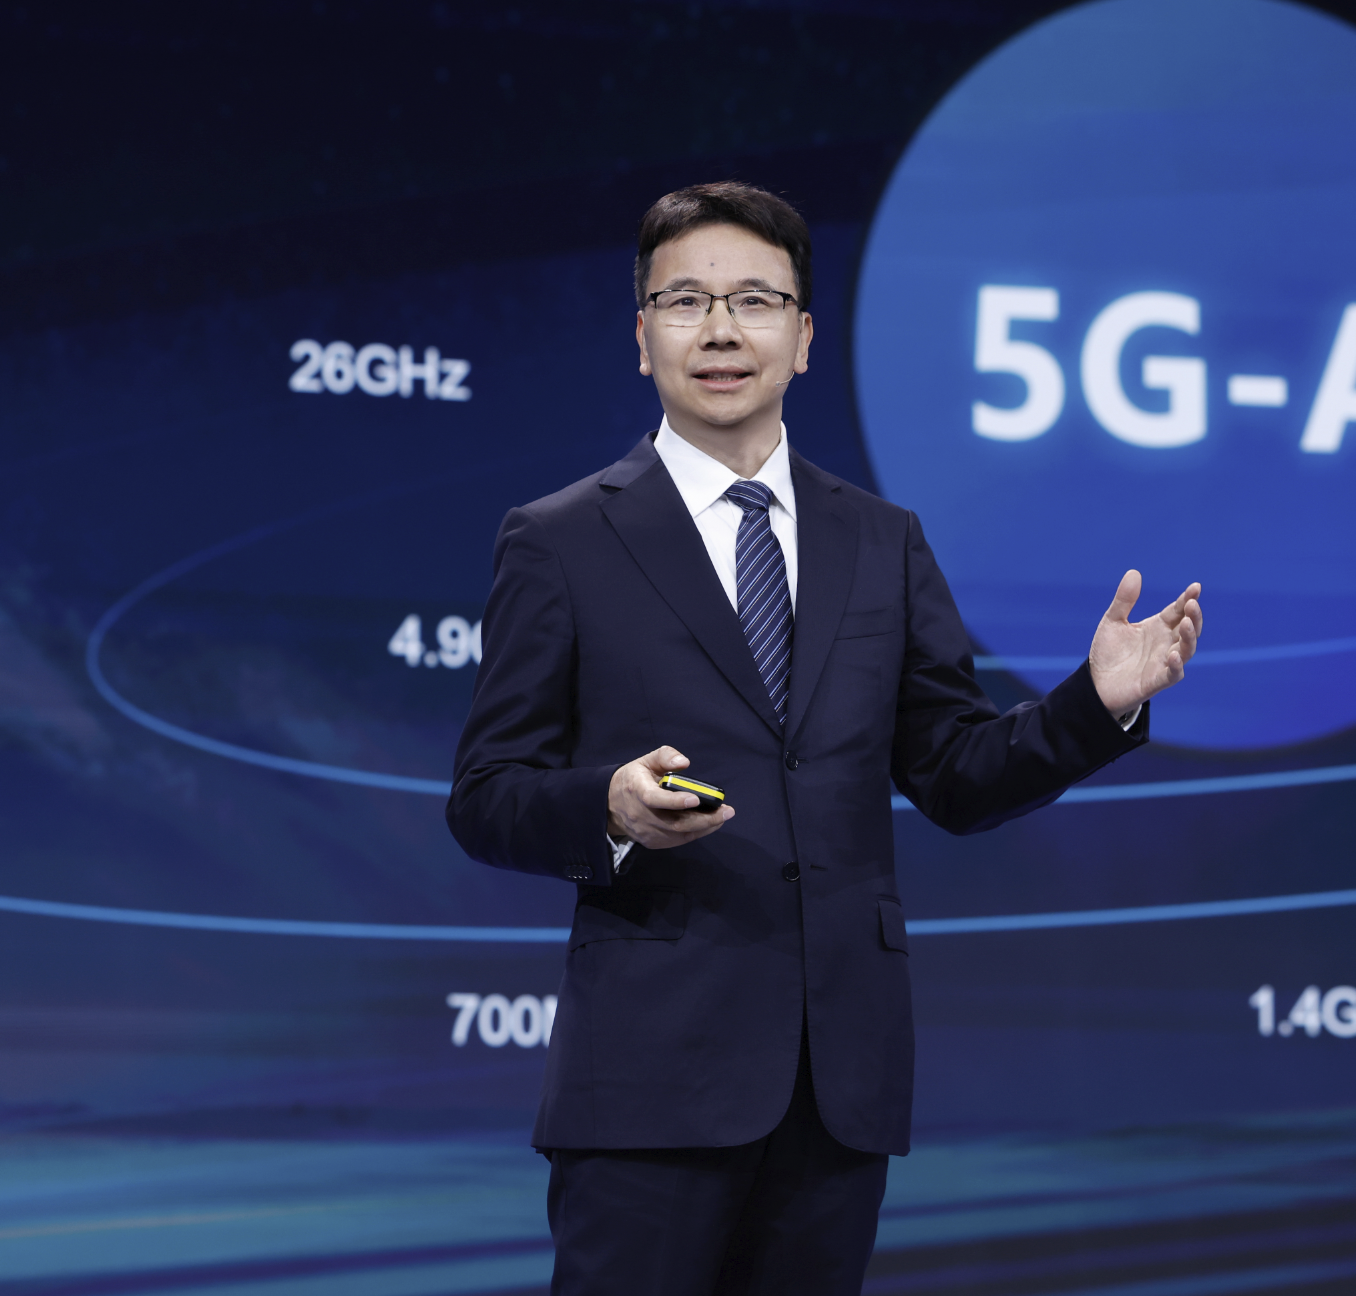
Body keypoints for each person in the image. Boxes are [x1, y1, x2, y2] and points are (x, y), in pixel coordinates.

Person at [447, 181, 1203, 1295]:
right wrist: (605, 806)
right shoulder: (560, 539)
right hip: (650, 1080)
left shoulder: (882, 541)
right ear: (642, 335)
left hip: (838, 1085)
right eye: (686, 301)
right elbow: (486, 794)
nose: (720, 330)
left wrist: (1093, 704)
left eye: (754, 301)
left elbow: (954, 773)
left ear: (802, 338)